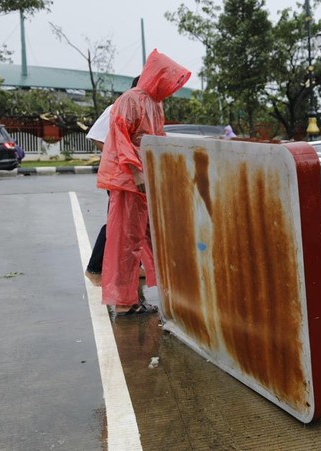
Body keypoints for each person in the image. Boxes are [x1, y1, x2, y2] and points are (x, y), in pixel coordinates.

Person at [97, 50, 190, 315]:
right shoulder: (130, 99)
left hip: (144, 181)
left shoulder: (155, 103)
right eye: (169, 79)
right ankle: (124, 303)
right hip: (129, 181)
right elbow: (120, 137)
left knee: (144, 238)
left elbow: (156, 141)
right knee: (125, 241)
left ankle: (140, 296)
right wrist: (136, 174)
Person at [84, 76, 140, 287]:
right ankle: (95, 268)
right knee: (117, 222)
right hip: (120, 176)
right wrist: (116, 158)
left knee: (138, 223)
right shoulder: (117, 107)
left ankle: (135, 266)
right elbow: (96, 137)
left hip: (136, 177)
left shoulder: (142, 109)